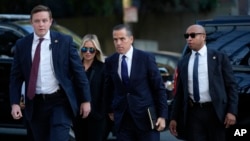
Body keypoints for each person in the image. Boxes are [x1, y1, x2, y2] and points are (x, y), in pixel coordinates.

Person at [9, 5, 91, 141]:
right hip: (35, 104)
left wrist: (86, 100)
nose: (41, 24)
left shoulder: (65, 41)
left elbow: (78, 73)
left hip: (59, 101)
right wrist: (15, 103)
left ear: (50, 21)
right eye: (37, 21)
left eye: (44, 20)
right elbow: (16, 77)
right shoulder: (22, 44)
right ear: (31, 22)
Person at [169, 24, 238, 141]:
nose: (189, 39)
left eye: (192, 35)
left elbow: (231, 86)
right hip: (193, 113)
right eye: (187, 36)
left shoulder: (219, 57)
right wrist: (174, 117)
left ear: (203, 37)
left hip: (215, 111)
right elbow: (180, 92)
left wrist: (232, 111)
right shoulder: (184, 62)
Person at [104, 24, 168, 141]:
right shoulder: (110, 61)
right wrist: (110, 109)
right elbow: (109, 88)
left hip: (146, 118)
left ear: (131, 39)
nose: (118, 43)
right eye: (115, 39)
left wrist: (162, 116)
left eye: (122, 39)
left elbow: (159, 88)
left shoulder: (146, 58)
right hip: (123, 120)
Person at [72, 34, 106, 141]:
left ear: (96, 51)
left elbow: (105, 92)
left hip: (96, 116)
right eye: (85, 49)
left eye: (91, 49)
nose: (87, 52)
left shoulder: (103, 68)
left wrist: (99, 113)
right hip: (78, 115)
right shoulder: (75, 67)